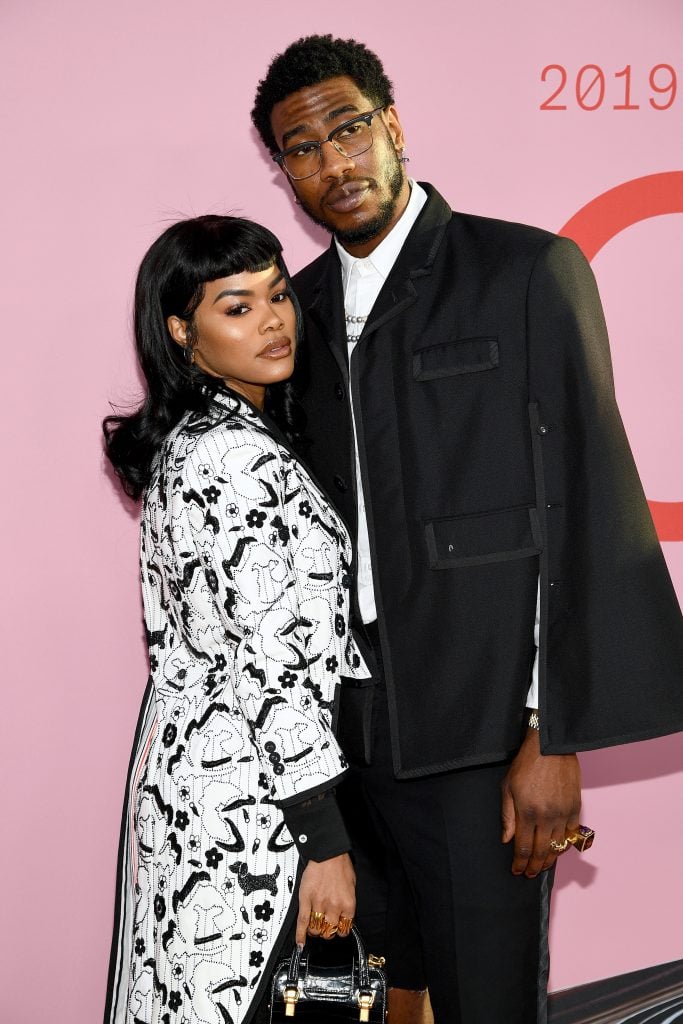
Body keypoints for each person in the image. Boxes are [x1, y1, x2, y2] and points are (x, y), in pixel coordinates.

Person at [251, 35, 683, 1024]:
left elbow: (584, 497)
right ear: (284, 174)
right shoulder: (293, 319)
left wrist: (550, 732)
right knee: (340, 1000)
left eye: (347, 128)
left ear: (391, 125)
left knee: (485, 1002)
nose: (332, 162)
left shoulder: (524, 270)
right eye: (301, 149)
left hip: (479, 742)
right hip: (333, 748)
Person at [102, 215, 372, 1024]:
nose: (273, 321)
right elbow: (270, 667)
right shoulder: (232, 458)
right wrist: (323, 841)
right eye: (237, 306)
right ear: (183, 332)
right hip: (246, 809)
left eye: (278, 295)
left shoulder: (208, 437)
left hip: (206, 787)